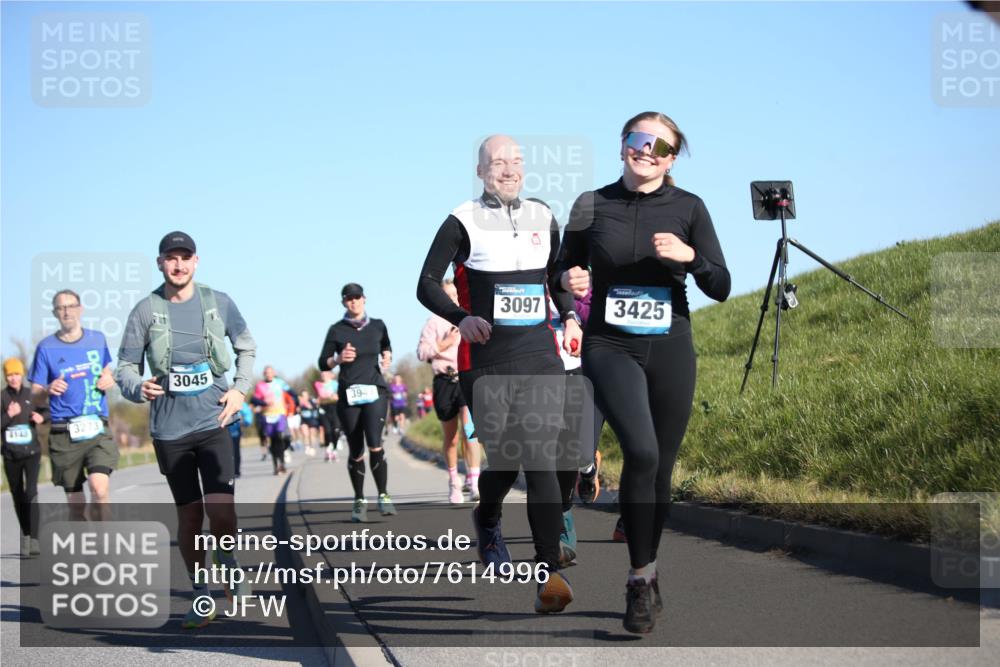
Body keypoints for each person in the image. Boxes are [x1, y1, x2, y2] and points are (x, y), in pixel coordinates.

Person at [553, 112, 730, 633]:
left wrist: (690, 256)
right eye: (638, 139)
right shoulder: (591, 205)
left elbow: (720, 283)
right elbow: (558, 274)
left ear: (672, 158)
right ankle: (637, 578)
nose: (647, 151)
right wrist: (567, 284)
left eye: (661, 146)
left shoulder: (689, 207)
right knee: (642, 451)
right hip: (610, 345)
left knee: (662, 470)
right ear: (623, 144)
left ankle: (647, 572)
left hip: (671, 344)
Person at [416, 134, 581, 613]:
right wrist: (459, 318)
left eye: (515, 161)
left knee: (541, 456)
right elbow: (425, 282)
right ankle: (487, 517)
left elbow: (556, 276)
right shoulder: (461, 220)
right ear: (480, 170)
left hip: (539, 356)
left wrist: (568, 312)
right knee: (507, 463)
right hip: (483, 363)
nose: (507, 169)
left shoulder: (544, 218)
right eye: (497, 162)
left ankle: (547, 573)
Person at [116, 231, 256, 629]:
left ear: (197, 262)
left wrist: (240, 390)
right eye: (171, 258)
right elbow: (125, 366)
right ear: (159, 263)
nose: (178, 264)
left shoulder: (219, 303)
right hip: (169, 431)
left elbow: (247, 347)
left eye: (185, 257)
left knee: (222, 512)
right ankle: (200, 593)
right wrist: (135, 386)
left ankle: (227, 558)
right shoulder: (146, 311)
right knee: (191, 517)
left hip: (214, 420)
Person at [30, 289, 119, 520]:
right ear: (55, 313)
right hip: (64, 433)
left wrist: (110, 379)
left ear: (80, 309)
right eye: (61, 307)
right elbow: (36, 394)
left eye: (71, 306)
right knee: (76, 505)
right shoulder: (46, 347)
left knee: (99, 489)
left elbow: (108, 372)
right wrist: (48, 389)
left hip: (97, 426)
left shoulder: (97, 338)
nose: (67, 311)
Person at [317, 283, 396, 522]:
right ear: (343, 302)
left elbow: (386, 344)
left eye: (357, 297)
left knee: (374, 443)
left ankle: (383, 495)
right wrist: (338, 359)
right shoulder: (337, 330)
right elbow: (323, 362)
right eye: (349, 299)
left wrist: (387, 355)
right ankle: (360, 499)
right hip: (349, 394)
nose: (354, 302)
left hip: (375, 391)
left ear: (364, 299)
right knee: (356, 450)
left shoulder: (378, 325)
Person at [417, 278, 481, 503]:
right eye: (447, 296)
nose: (453, 300)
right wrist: (443, 345)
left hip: (466, 376)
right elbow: (422, 353)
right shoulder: (434, 322)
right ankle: (454, 480)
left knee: (470, 429)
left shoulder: (469, 318)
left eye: (455, 295)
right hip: (444, 380)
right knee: (451, 437)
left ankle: (474, 480)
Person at [3, 358, 46, 556]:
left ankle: (35, 539)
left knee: (30, 493)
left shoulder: (31, 395)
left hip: (31, 453)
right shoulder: (2, 398)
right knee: (18, 496)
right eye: (10, 375)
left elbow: (49, 412)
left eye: (16, 374)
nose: (13, 378)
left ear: (22, 375)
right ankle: (26, 535)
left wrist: (42, 417)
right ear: (6, 376)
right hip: (11, 455)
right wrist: (8, 416)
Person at [253, 366, 292, 475]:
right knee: (273, 441)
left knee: (280, 438)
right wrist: (264, 403)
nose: (268, 374)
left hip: (280, 414)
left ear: (274, 373)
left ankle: (282, 463)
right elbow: (254, 400)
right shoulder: (260, 386)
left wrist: (296, 403)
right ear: (263, 374)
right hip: (267, 415)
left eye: (270, 372)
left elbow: (291, 392)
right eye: (266, 373)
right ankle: (276, 466)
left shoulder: (280, 382)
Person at [314, 370, 342, 461]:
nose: (323, 375)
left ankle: (334, 449)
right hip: (323, 408)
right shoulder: (318, 384)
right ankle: (328, 448)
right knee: (327, 429)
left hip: (334, 407)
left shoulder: (335, 384)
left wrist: (337, 396)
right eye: (322, 374)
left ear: (331, 375)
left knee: (336, 429)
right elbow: (320, 396)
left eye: (325, 374)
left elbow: (339, 395)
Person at [298, 390, 322, 456]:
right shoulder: (300, 403)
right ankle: (307, 446)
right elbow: (297, 410)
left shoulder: (312, 401)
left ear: (308, 396)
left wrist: (309, 406)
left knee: (312, 433)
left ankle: (312, 447)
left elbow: (315, 408)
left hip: (312, 419)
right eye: (303, 396)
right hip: (303, 420)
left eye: (305, 395)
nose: (304, 397)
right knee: (305, 433)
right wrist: (299, 407)